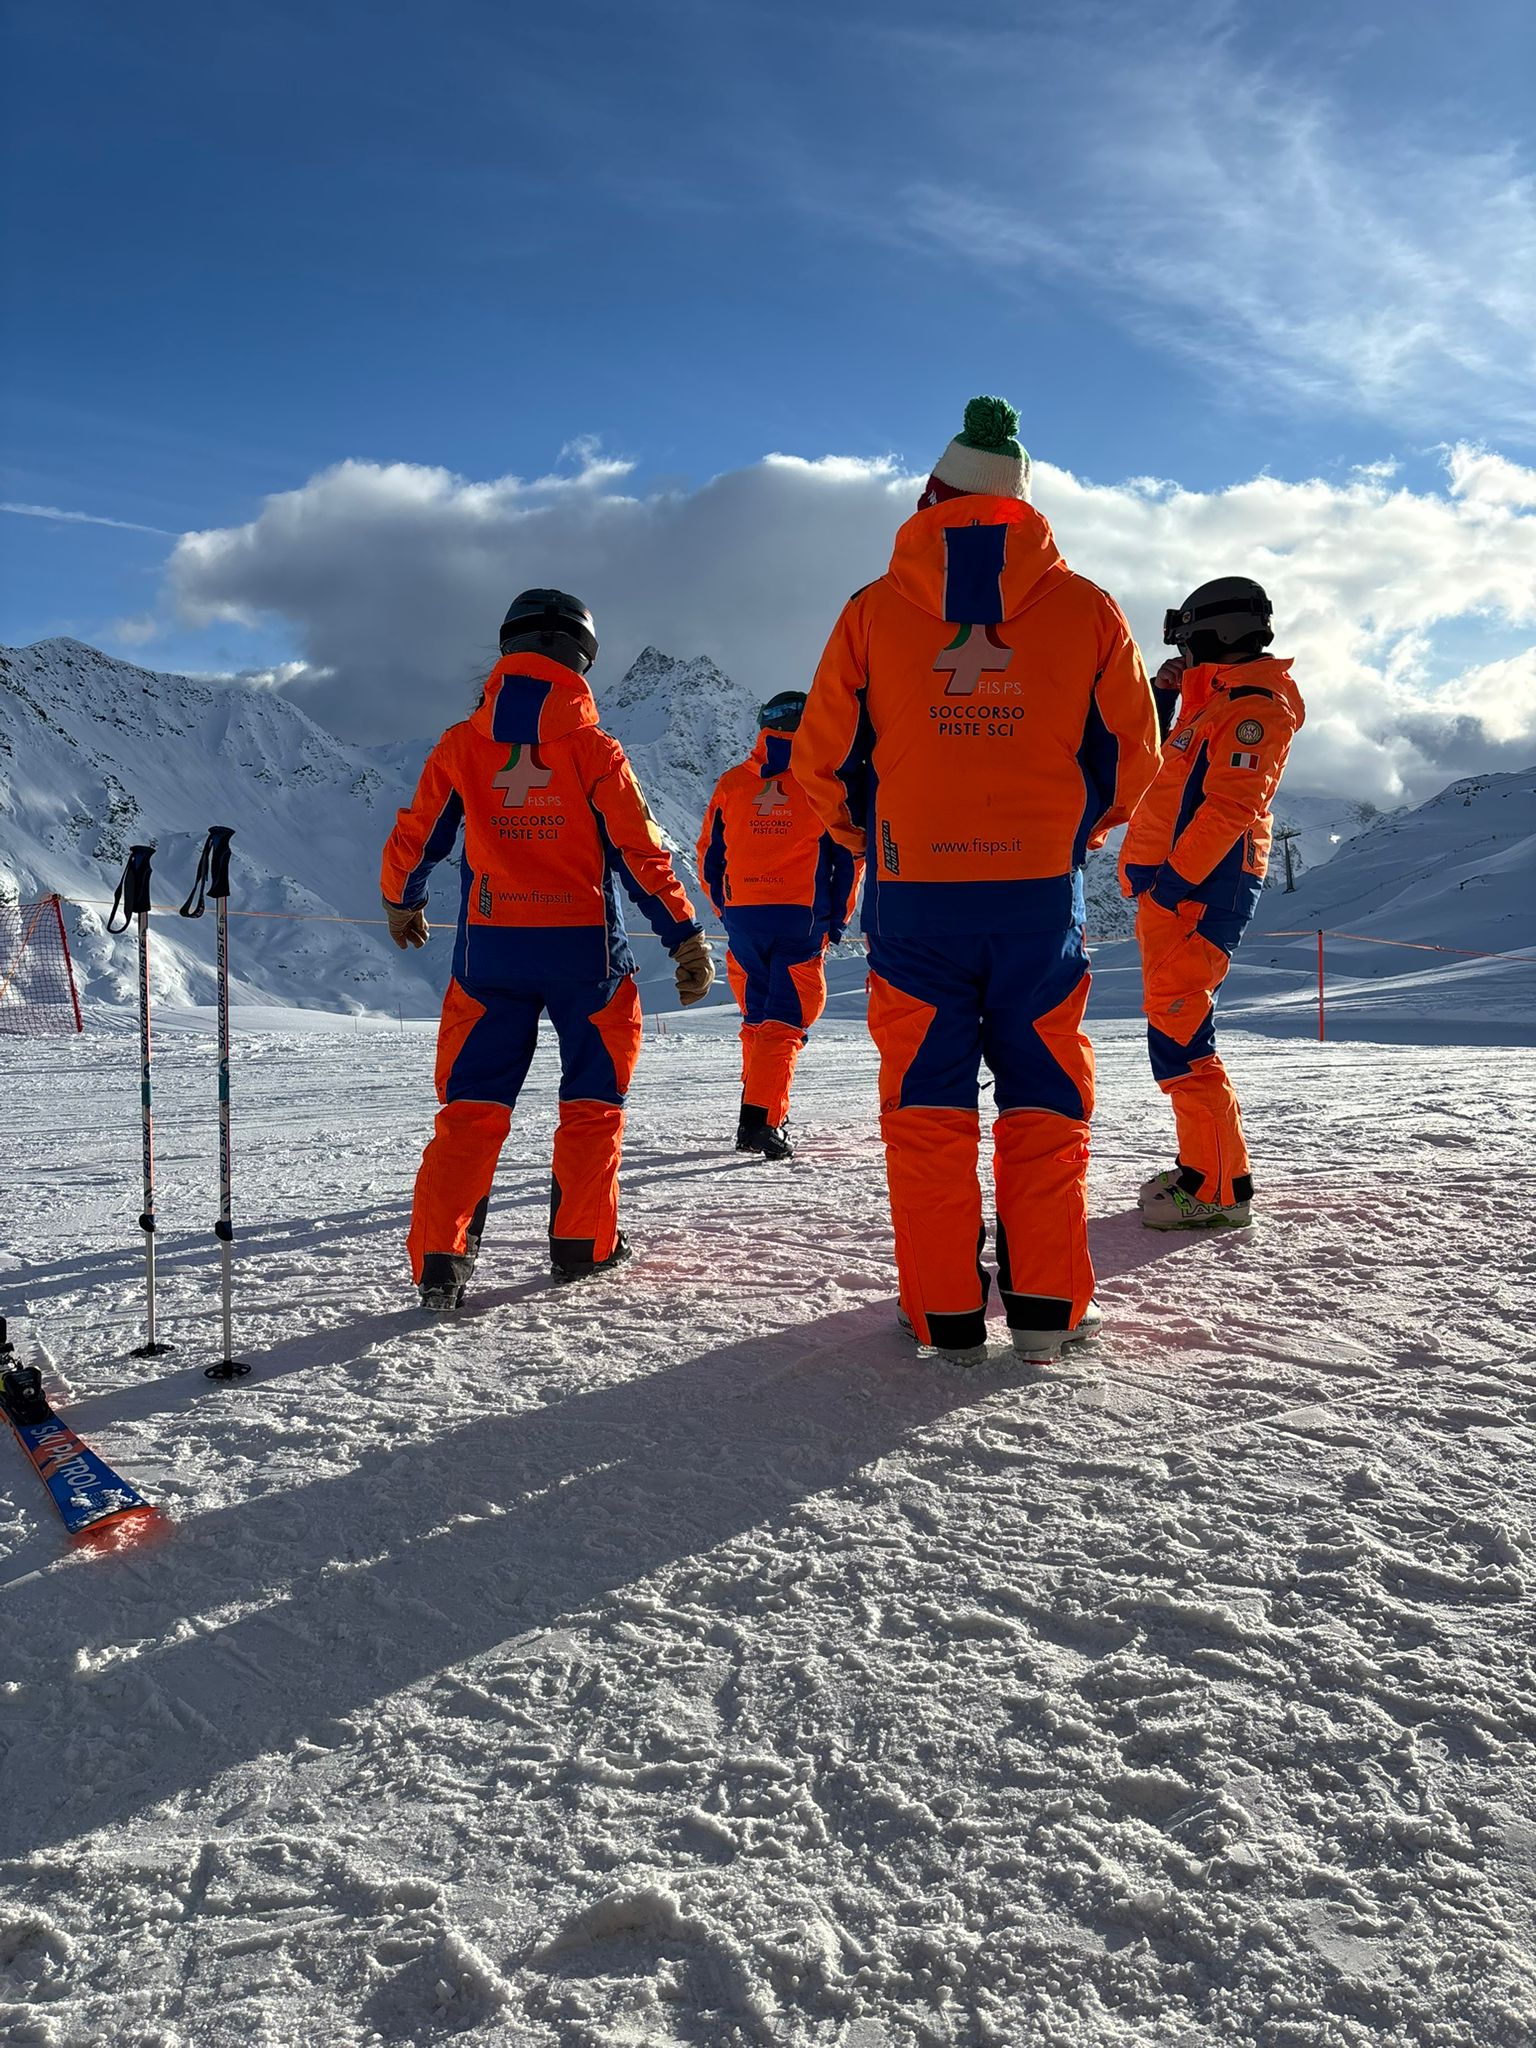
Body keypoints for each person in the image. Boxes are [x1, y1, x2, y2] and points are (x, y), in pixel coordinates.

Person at [795, 396, 1161, 1363]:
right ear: (1023, 506)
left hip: (915, 896)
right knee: (1044, 1098)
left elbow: (818, 761)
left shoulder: (873, 610)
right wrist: (1078, 826)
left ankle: (944, 1315)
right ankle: (1049, 1310)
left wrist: (873, 836)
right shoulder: (1085, 607)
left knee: (928, 1108)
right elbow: (1137, 751)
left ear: (931, 498)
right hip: (1037, 896)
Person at [381, 589, 714, 1310]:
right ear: (582, 661)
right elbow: (641, 853)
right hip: (586, 957)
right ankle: (582, 1246)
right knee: (593, 1103)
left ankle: (440, 1261)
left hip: (490, 954)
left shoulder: (462, 744)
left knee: (470, 1108)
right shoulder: (596, 750)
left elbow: (419, 832)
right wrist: (684, 937)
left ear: (507, 650)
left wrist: (402, 900)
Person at [1120, 577, 1305, 1230]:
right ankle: (1206, 1169)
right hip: (1179, 894)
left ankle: (1220, 1189)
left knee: (1183, 1041)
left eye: (1187, 642)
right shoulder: (1213, 705)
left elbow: (1231, 805)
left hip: (1196, 895)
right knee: (1175, 1031)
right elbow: (1157, 773)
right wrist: (1167, 695)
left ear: (1212, 635)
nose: (1183, 653)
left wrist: (1172, 886)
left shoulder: (1255, 708)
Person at [696, 692, 863, 1160]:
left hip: (743, 918)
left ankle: (757, 1110)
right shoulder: (823, 782)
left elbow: (709, 856)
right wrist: (837, 920)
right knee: (787, 1019)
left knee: (757, 1018)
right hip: (799, 917)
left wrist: (728, 909)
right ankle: (761, 1122)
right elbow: (848, 857)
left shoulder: (733, 783)